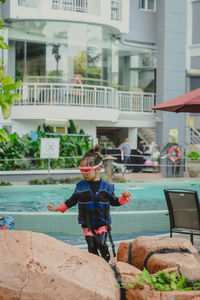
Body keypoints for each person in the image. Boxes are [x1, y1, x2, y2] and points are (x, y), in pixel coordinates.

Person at [47, 146, 132, 262]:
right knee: (91, 247)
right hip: (87, 224)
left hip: (102, 223)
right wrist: (57, 208)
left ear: (98, 169)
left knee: (101, 244)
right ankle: (96, 265)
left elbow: (114, 201)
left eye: (87, 170)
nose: (84, 174)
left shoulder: (107, 187)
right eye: (81, 170)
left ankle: (106, 262)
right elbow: (71, 201)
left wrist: (124, 197)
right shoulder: (80, 186)